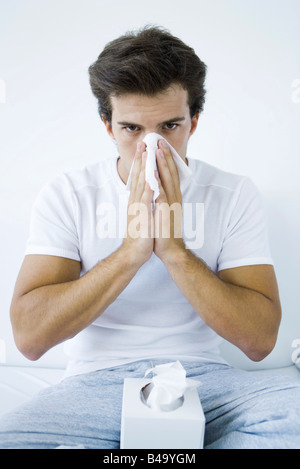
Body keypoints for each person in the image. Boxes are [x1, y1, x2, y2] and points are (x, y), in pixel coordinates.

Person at [0, 26, 299, 449]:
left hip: (206, 382)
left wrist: (175, 251)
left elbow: (260, 342)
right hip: (94, 383)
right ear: (108, 126)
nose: (152, 145)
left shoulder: (231, 194)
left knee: (293, 423)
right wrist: (130, 253)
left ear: (194, 121)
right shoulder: (68, 194)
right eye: (132, 129)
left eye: (170, 125)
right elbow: (29, 339)